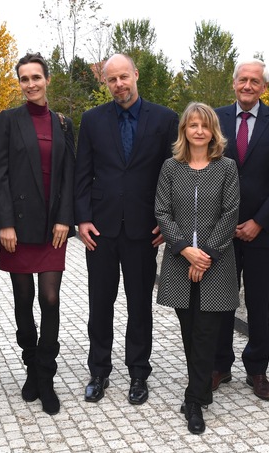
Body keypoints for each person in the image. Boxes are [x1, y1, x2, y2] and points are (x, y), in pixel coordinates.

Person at [75, 53, 179, 405]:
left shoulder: (165, 119)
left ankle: (138, 373)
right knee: (99, 303)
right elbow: (82, 174)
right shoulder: (92, 120)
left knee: (139, 305)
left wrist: (168, 222)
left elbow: (174, 175)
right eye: (111, 79)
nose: (119, 84)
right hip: (100, 230)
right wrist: (83, 218)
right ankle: (98, 371)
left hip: (144, 229)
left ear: (135, 75)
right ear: (105, 83)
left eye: (124, 77)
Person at [0, 52, 75, 415]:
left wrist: (65, 218)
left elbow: (70, 176)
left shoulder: (63, 123)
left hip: (52, 227)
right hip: (18, 227)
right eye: (24, 78)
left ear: (47, 79)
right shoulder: (8, 120)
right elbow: (0, 175)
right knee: (23, 301)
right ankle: (31, 364)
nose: (30, 84)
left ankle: (46, 372)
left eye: (36, 77)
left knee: (51, 299)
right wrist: (5, 222)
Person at [212, 59, 269, 400]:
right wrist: (223, 221)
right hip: (221, 230)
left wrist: (259, 221)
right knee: (221, 302)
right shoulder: (213, 118)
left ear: (264, 86)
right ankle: (220, 365)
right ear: (234, 83)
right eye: (243, 80)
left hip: (263, 231)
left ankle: (257, 370)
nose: (248, 86)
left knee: (259, 303)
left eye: (255, 81)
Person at [155, 102, 240, 434]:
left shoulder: (226, 168)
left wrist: (204, 255)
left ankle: (195, 400)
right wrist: (187, 251)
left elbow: (230, 213)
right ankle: (200, 389)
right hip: (179, 262)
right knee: (189, 331)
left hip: (215, 263)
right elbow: (162, 213)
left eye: (205, 125)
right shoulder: (170, 168)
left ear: (213, 130)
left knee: (206, 332)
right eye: (193, 125)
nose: (199, 131)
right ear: (184, 131)